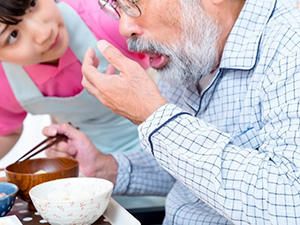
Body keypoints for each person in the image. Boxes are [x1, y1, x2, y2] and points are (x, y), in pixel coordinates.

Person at [43, 0, 300, 224]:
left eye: (134, 1)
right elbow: (188, 177)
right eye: (117, 7)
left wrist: (153, 115)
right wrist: (104, 167)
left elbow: (290, 205)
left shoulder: (291, 46)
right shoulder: (190, 48)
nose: (124, 28)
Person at [0, 0, 149, 159]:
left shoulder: (109, 17)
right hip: (92, 165)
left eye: (31, 4)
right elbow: (6, 133)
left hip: (165, 134)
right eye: (13, 35)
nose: (44, 33)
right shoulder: (5, 82)